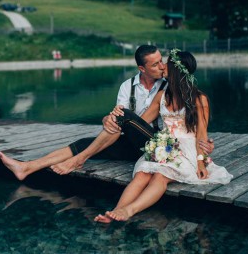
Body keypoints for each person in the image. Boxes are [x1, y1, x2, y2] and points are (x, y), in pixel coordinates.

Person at [0, 45, 214, 181]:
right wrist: (108, 119)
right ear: (142, 69)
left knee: (123, 116)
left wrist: (205, 148)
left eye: (162, 61)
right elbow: (127, 119)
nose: (161, 66)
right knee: (85, 140)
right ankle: (26, 167)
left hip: (157, 145)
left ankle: (79, 160)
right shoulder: (126, 87)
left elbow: (193, 118)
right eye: (156, 63)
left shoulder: (168, 87)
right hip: (130, 142)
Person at [94, 49, 233, 223]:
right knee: (142, 174)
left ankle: (129, 211)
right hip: (163, 145)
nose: (162, 65)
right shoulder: (162, 95)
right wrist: (118, 119)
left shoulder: (199, 98)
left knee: (161, 176)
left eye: (166, 62)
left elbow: (201, 136)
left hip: (186, 150)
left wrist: (200, 162)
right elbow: (140, 122)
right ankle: (115, 211)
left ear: (175, 69)